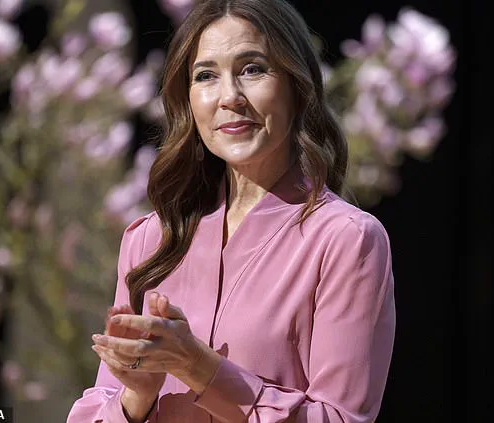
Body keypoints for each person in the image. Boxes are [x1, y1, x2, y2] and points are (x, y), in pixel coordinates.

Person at [66, 0, 396, 422]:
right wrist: (136, 398)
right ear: (187, 99)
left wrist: (198, 367)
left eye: (252, 69)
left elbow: (340, 418)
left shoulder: (347, 240)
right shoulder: (151, 238)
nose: (229, 97)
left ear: (297, 85)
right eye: (206, 76)